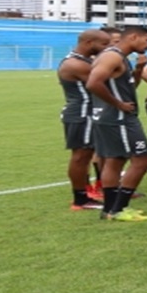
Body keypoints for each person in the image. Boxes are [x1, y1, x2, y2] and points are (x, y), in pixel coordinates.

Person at [86, 26, 147, 222]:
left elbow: (126, 86)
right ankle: (119, 207)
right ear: (133, 37)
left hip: (109, 117)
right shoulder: (113, 56)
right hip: (118, 118)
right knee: (143, 160)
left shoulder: (118, 56)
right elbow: (93, 83)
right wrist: (119, 104)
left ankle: (110, 210)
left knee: (115, 160)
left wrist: (139, 69)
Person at [57, 29, 112, 210]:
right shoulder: (75, 64)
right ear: (89, 43)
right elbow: (104, 84)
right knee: (81, 156)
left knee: (89, 154)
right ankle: (80, 198)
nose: (107, 48)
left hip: (88, 112)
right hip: (82, 113)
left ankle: (90, 191)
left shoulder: (84, 61)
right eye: (104, 44)